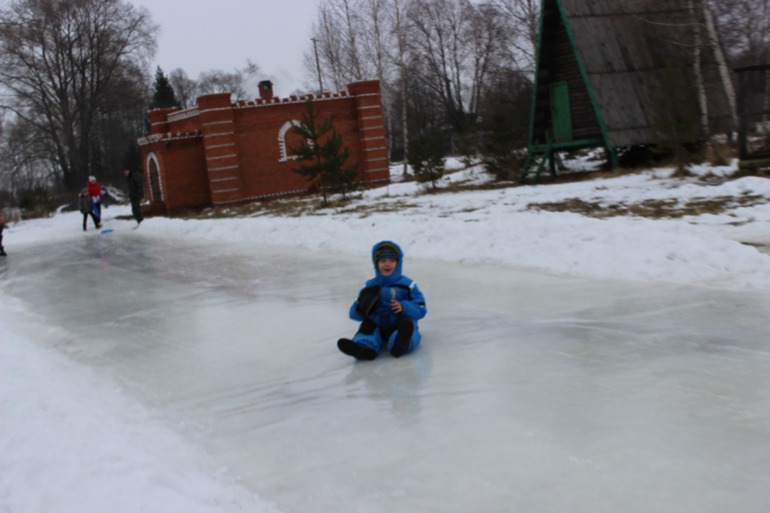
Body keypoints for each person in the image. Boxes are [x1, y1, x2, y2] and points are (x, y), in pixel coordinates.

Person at [338, 241, 427, 360]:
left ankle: (401, 344)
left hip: (398, 322)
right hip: (377, 324)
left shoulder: (408, 285)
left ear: (398, 262)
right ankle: (364, 349)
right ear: (376, 263)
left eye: (392, 260)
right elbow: (354, 314)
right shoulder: (370, 286)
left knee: (407, 326)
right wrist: (361, 308)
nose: (387, 264)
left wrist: (404, 307)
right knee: (367, 326)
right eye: (383, 261)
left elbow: (421, 308)